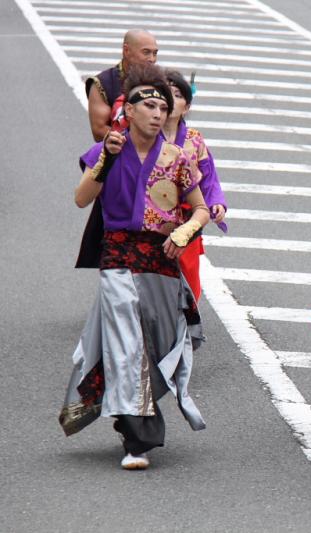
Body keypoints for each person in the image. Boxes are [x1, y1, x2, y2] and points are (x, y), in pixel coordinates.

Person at [59, 63, 210, 470]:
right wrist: (105, 161)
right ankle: (139, 439)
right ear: (129, 110)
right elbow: (81, 198)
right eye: (149, 104)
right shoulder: (109, 148)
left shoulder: (178, 159)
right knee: (128, 342)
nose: (158, 112)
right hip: (119, 256)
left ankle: (131, 413)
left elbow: (199, 209)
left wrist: (185, 233)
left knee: (158, 345)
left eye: (163, 105)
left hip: (161, 258)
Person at [163, 70, 228, 302]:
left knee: (189, 270)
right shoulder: (146, 136)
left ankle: (188, 321)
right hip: (152, 216)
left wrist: (216, 202)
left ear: (187, 106)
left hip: (188, 216)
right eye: (165, 94)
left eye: (178, 95)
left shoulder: (194, 139)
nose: (171, 100)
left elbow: (209, 177)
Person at [86, 29, 158, 142]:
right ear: (126, 50)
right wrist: (136, 143)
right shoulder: (103, 82)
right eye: (146, 52)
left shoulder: (159, 81)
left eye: (155, 53)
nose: (152, 59)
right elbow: (99, 130)